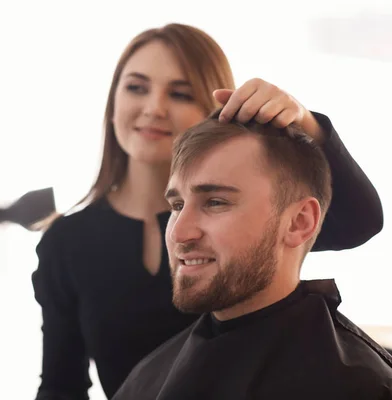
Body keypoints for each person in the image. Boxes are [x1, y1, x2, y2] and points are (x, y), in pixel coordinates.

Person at [31, 23, 384, 400]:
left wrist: (307, 124)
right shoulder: (68, 243)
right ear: (112, 102)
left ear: (215, 110)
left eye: (180, 93)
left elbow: (358, 221)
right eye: (136, 87)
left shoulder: (258, 219)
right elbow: (60, 385)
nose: (154, 108)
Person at [111, 110, 392, 400]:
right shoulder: (149, 376)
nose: (179, 233)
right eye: (178, 205)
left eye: (216, 202)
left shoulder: (359, 388)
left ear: (299, 222)